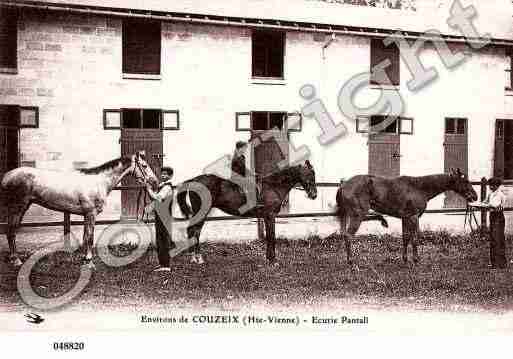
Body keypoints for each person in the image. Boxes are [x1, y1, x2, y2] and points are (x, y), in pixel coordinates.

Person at [145, 166, 175, 272]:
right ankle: (162, 263)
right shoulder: (163, 186)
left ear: (170, 176)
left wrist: (148, 189)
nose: (163, 176)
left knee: (163, 239)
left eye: (166, 174)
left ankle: (166, 265)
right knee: (159, 239)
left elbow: (158, 198)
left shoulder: (167, 187)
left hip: (165, 215)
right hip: (161, 215)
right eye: (162, 174)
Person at [484, 177, 507, 269]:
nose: (491, 187)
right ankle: (494, 262)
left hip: (498, 217)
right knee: (493, 239)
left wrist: (488, 205)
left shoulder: (500, 195)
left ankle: (500, 263)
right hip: (492, 216)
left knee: (498, 239)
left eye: (493, 185)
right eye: (490, 185)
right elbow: (485, 202)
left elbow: (496, 205)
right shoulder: (490, 194)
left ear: (497, 186)